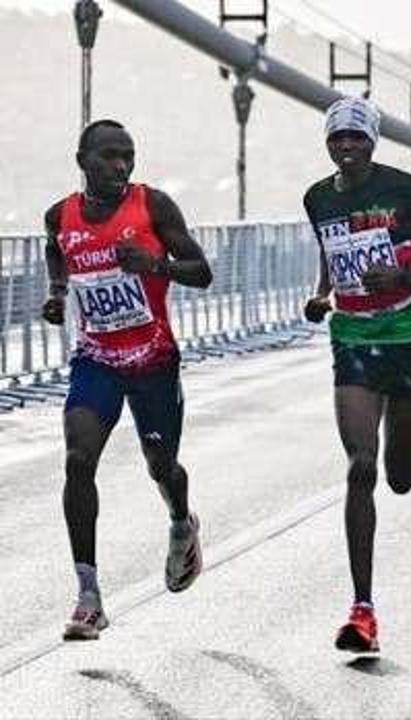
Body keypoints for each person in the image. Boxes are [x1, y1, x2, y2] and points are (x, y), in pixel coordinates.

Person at [43, 119, 213, 641]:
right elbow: (56, 248)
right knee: (78, 460)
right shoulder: (60, 215)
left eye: (128, 155)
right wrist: (56, 290)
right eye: (109, 156)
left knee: (161, 464)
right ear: (82, 160)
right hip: (97, 359)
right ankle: (88, 596)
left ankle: (182, 522)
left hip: (153, 362)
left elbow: (202, 271)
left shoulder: (153, 206)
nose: (121, 165)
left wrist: (153, 263)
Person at [302, 97, 411, 653]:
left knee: (401, 477)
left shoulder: (408, 192)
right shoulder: (317, 198)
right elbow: (331, 253)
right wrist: (322, 295)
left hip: (408, 336)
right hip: (352, 339)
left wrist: (405, 273)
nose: (346, 146)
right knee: (361, 468)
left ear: (372, 142)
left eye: (356, 137)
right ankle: (362, 609)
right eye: (337, 137)